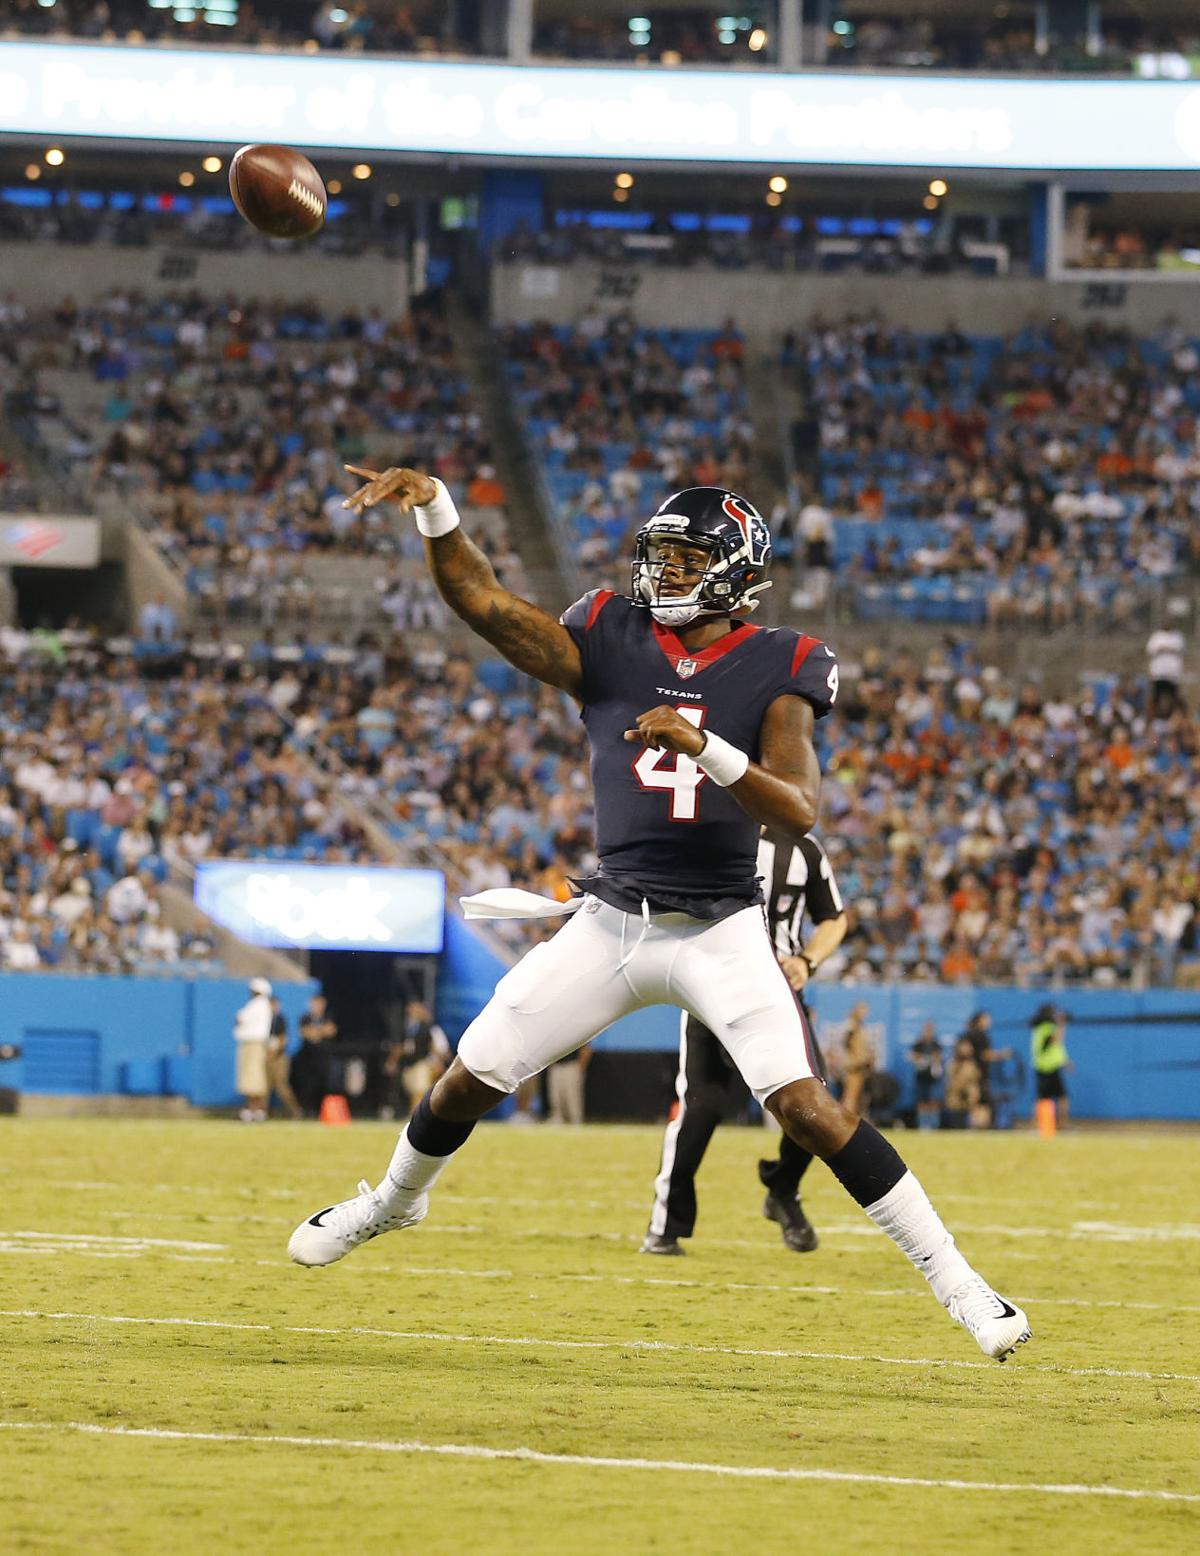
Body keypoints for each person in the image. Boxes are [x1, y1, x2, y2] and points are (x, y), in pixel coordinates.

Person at [289, 468, 1030, 1363]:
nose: (666, 574)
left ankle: (961, 1284)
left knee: (808, 1109)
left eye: (687, 559)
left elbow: (796, 808)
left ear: (735, 572)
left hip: (718, 928)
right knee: (470, 1075)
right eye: (662, 556)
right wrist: (439, 508)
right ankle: (395, 1201)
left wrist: (708, 744)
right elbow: (484, 602)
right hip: (613, 923)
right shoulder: (612, 634)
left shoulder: (783, 662)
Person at [642, 829, 848, 1256]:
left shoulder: (804, 848)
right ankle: (666, 1225)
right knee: (702, 1107)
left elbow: (835, 917)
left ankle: (783, 1189)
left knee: (814, 1105)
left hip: (779, 993)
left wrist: (807, 961)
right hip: (709, 988)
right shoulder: (709, 834)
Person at [381, 999, 451, 1121]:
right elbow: (399, 1046)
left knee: (420, 1089)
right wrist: (392, 1061)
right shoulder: (403, 1026)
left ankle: (415, 1116)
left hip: (422, 1062)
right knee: (411, 1089)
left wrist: (437, 1061)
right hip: (408, 1063)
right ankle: (415, 1114)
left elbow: (433, 1046)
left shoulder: (427, 1028)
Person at [960, 1011, 1011, 1128]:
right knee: (983, 1101)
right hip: (979, 1074)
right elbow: (986, 1055)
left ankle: (973, 1125)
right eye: (987, 1019)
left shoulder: (968, 1034)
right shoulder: (981, 1035)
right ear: (980, 1020)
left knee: (973, 1101)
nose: (989, 1021)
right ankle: (981, 1126)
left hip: (967, 1074)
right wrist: (1001, 1055)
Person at [291, 992, 337, 1116]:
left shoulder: (328, 1016)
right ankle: (306, 1110)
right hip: (308, 1058)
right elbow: (305, 1032)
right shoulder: (305, 1017)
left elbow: (331, 1030)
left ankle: (321, 1111)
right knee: (307, 1085)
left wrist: (316, 1031)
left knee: (324, 1085)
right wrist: (321, 1031)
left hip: (323, 1058)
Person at [234, 976, 273, 1122]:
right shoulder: (262, 1005)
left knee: (253, 1078)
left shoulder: (258, 1004)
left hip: (253, 1043)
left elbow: (240, 1018)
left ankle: (254, 1110)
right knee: (254, 1078)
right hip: (254, 1043)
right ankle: (256, 1110)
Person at [1030, 1003, 1072, 1129]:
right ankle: (1040, 1124)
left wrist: (1065, 1061)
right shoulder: (1045, 1028)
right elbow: (1056, 1040)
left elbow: (1056, 1049)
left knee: (1050, 1098)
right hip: (1046, 1068)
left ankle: (1054, 1124)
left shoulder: (1042, 1028)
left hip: (1048, 1067)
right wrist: (1061, 1024)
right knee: (1049, 1098)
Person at [266, 994, 303, 1121]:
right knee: (265, 1087)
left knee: (281, 1086)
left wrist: (274, 1052)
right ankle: (262, 1113)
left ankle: (295, 1111)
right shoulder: (264, 1019)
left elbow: (283, 1039)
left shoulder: (280, 1019)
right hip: (267, 1056)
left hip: (279, 1057)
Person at [839, 1001, 875, 1117]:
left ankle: (851, 1120)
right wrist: (852, 1059)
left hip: (860, 1065)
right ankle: (844, 1120)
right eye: (862, 1010)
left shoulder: (858, 1026)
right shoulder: (852, 1025)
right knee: (850, 1097)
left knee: (856, 1098)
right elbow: (846, 1042)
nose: (864, 1014)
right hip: (853, 1066)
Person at [908, 1020, 945, 1130]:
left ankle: (934, 1124)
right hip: (921, 1075)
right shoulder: (919, 1043)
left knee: (933, 1101)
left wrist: (932, 1060)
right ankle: (923, 1124)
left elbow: (939, 1056)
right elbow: (913, 1056)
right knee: (922, 1101)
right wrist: (921, 1060)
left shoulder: (936, 1043)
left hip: (933, 1077)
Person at [547, 1042, 591, 1126]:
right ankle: (557, 1119)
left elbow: (586, 1049)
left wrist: (581, 1067)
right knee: (555, 1096)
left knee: (572, 1096)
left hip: (571, 1065)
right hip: (556, 1065)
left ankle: (575, 1121)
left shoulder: (576, 1031)